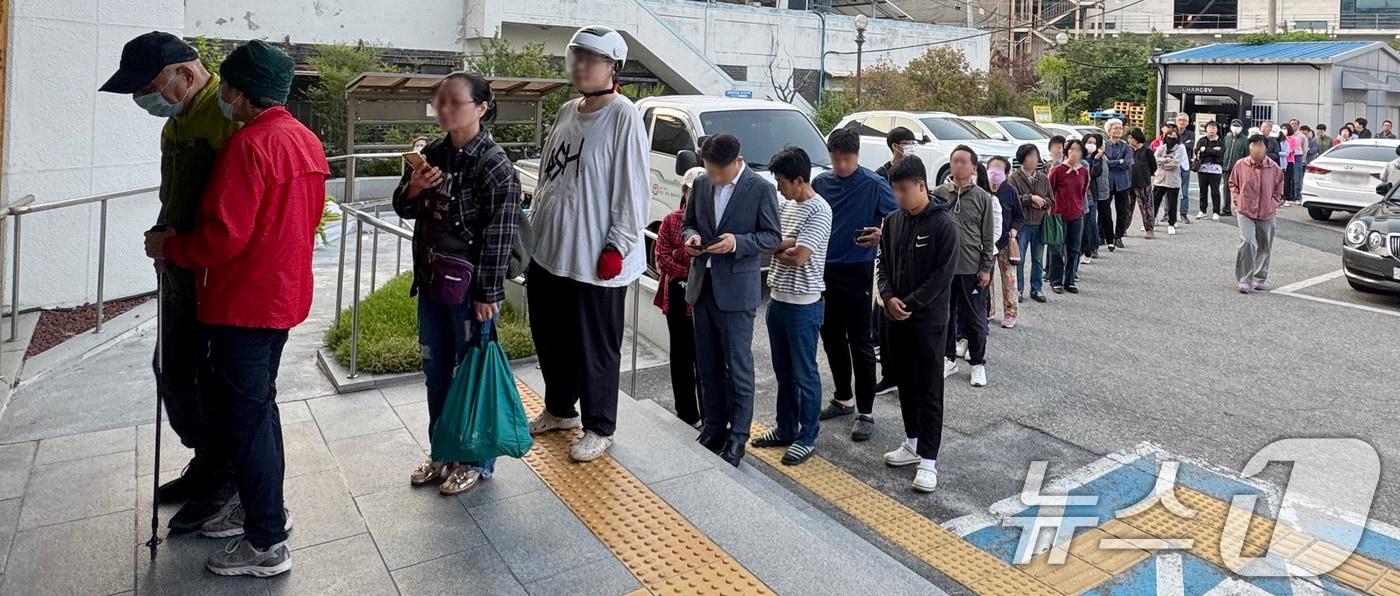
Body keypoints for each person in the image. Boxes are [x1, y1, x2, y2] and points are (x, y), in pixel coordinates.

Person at [143, 39, 328, 578]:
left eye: (226, 84)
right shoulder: (306, 141)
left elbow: (223, 238)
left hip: (243, 302)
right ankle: (257, 509)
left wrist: (170, 247)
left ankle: (266, 539)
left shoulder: (250, 145)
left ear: (240, 91)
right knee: (258, 412)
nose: (221, 93)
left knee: (247, 420)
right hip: (282, 297)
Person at [99, 31, 240, 531]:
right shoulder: (176, 124)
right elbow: (174, 193)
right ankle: (207, 462)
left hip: (213, 276)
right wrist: (164, 239)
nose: (144, 98)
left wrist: (185, 247)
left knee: (209, 380)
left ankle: (225, 478)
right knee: (174, 371)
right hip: (179, 269)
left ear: (187, 71)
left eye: (150, 86)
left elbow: (234, 210)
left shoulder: (226, 115)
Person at [526, 26, 649, 462]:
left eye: (591, 59)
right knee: (550, 335)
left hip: (595, 256)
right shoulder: (565, 111)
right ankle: (561, 409)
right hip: (551, 248)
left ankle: (600, 425)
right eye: (577, 57)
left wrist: (617, 244)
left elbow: (634, 188)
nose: (581, 65)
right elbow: (548, 178)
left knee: (595, 345)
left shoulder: (623, 115)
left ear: (612, 66)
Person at [395, 72, 520, 496]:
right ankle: (442, 451)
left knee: (472, 374)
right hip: (432, 282)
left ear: (481, 108)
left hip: (469, 289)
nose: (443, 109)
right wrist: (413, 187)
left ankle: (474, 459)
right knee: (435, 372)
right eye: (439, 102)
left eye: (454, 102)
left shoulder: (495, 165)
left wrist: (488, 294)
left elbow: (500, 235)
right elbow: (403, 208)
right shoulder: (431, 153)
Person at [684, 134, 781, 467]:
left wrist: (737, 242)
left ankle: (738, 437)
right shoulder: (701, 185)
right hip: (703, 285)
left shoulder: (760, 189)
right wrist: (691, 237)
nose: (713, 177)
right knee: (707, 365)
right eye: (708, 170)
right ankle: (713, 426)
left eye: (718, 172)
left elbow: (772, 237)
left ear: (736, 162)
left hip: (737, 291)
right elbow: (688, 223)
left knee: (738, 367)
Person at [876, 156, 958, 493]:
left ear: (922, 186)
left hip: (927, 322)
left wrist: (907, 303)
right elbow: (882, 263)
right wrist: (887, 296)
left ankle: (928, 461)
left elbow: (942, 276)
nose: (899, 197)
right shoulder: (893, 222)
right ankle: (911, 443)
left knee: (928, 389)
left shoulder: (944, 225)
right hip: (895, 319)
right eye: (895, 190)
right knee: (904, 385)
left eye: (904, 190)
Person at [751, 147, 832, 466]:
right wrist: (784, 242)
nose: (778, 187)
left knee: (804, 373)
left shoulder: (820, 210)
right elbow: (773, 239)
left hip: (804, 303)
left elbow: (801, 257)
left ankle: (807, 435)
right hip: (778, 300)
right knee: (783, 372)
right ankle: (786, 427)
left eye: (782, 181)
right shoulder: (784, 204)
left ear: (799, 180)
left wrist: (776, 245)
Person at [813, 128, 896, 441]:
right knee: (831, 336)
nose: (842, 166)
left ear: (857, 156)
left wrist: (881, 235)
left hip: (859, 271)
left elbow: (900, 219)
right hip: (826, 271)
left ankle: (866, 411)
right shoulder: (821, 182)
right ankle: (843, 397)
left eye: (847, 160)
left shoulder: (874, 184)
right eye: (836, 160)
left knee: (860, 341)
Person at [936, 146, 995, 387]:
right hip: (943, 269)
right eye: (954, 161)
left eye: (963, 162)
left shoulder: (983, 197)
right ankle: (948, 358)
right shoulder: (939, 193)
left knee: (974, 319)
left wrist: (986, 268)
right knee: (944, 317)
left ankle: (978, 364)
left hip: (971, 268)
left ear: (973, 167)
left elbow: (988, 238)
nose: (958, 165)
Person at [654, 167, 707, 428]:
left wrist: (680, 256)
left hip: (703, 300)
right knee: (681, 357)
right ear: (684, 191)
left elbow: (709, 262)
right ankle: (687, 414)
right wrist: (689, 263)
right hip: (675, 296)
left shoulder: (711, 223)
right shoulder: (671, 221)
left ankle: (710, 415)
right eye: (690, 190)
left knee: (706, 359)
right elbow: (661, 260)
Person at [1229, 135, 1285, 294]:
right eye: (1253, 145)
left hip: (1266, 211)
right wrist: (1237, 200)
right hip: (1245, 209)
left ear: (1266, 148)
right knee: (1247, 242)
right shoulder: (1241, 165)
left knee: (1264, 244)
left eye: (1260, 145)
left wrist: (1273, 203)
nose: (1256, 148)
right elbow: (1233, 183)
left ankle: (1259, 277)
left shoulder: (1274, 168)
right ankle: (1244, 278)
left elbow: (1279, 190)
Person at [1008, 144, 1052, 303]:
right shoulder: (1014, 178)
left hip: (1039, 223)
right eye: (1031, 156)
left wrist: (1043, 203)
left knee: (1038, 259)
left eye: (1036, 156)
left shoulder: (1043, 178)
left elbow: (1051, 199)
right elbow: (1012, 200)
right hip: (1023, 224)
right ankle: (1018, 289)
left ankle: (1037, 288)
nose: (1035, 159)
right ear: (1022, 159)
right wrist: (1030, 199)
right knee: (1018, 259)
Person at [1047, 139, 1089, 293]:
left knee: (1074, 249)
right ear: (1066, 151)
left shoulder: (1083, 171)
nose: (1075, 153)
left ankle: (1070, 280)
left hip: (1077, 215)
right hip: (1058, 214)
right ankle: (1056, 280)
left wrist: (1080, 209)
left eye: (1078, 150)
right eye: (1072, 149)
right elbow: (1049, 190)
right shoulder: (1058, 170)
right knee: (1057, 249)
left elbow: (1083, 191)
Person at [986, 156, 1023, 328]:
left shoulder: (1010, 191)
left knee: (1009, 278)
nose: (994, 174)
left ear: (1007, 174)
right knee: (986, 278)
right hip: (986, 242)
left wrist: (1014, 230)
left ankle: (1011, 313)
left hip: (1005, 241)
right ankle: (987, 310)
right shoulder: (982, 189)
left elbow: (1018, 216)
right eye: (991, 169)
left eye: (998, 170)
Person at [1153, 128, 1189, 236]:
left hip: (1173, 179)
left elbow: (1176, 163)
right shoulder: (1161, 147)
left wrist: (1162, 163)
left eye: (1174, 136)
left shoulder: (1180, 149)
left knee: (1172, 203)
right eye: (1169, 136)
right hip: (1160, 179)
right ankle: (1151, 220)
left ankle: (1172, 223)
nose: (1171, 138)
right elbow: (1155, 159)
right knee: (1155, 201)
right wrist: (1165, 160)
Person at [1104, 119, 1133, 250]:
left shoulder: (1126, 146)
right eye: (1115, 128)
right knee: (1105, 211)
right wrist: (1119, 161)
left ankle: (1119, 236)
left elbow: (1127, 164)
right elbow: (1105, 164)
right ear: (1109, 130)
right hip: (1107, 182)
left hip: (1123, 182)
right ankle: (1104, 235)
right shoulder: (1104, 146)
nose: (1118, 130)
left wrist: (1114, 162)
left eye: (1120, 128)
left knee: (1122, 211)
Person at [1126, 128, 1157, 238]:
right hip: (1129, 182)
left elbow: (1154, 166)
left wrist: (1147, 174)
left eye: (1131, 138)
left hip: (1143, 182)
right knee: (1127, 207)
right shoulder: (1128, 150)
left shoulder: (1147, 151)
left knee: (1146, 206)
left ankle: (1149, 228)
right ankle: (1123, 228)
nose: (1129, 140)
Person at [1081, 132, 1107, 261]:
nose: (1091, 145)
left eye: (1094, 143)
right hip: (1080, 194)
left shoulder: (1098, 159)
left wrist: (1096, 159)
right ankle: (1084, 248)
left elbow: (1095, 173)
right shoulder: (1079, 157)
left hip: (1092, 193)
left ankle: (1094, 246)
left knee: (1091, 221)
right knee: (1082, 222)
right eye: (1089, 142)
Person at [1193, 121, 1225, 220]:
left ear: (1217, 130)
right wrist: (1212, 150)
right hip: (1203, 168)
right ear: (1206, 129)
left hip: (1215, 168)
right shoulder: (1202, 140)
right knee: (1203, 190)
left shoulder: (1221, 140)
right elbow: (1197, 150)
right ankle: (1202, 210)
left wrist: (1205, 150)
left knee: (1215, 191)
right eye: (1210, 127)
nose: (1211, 130)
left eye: (1214, 128)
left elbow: (1220, 153)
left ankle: (1216, 211)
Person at [1220, 119, 1250, 217]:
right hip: (1226, 168)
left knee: (1241, 189)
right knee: (1226, 188)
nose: (1236, 128)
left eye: (1238, 126)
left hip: (1239, 168)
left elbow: (1247, 155)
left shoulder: (1245, 140)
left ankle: (1241, 208)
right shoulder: (1226, 139)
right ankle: (1226, 208)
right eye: (1234, 125)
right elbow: (1223, 152)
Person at [1174, 113, 1195, 223]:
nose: (1181, 122)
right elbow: (1170, 144)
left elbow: (1190, 146)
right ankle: (1168, 214)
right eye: (1180, 120)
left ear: (1187, 122)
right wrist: (1182, 144)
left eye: (1184, 120)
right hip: (1172, 165)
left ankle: (1183, 214)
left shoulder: (1190, 134)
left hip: (1185, 165)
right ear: (1176, 121)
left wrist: (1179, 144)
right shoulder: (1172, 132)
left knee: (1185, 191)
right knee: (1170, 190)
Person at [1289, 121, 1310, 204]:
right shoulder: (1287, 135)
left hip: (1298, 156)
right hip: (1289, 157)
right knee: (1289, 177)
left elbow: (1305, 149)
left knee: (1297, 177)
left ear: (1298, 125)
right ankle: (1290, 196)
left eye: (1295, 124)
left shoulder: (1302, 136)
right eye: (1291, 124)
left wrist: (1303, 158)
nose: (1293, 125)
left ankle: (1297, 196)